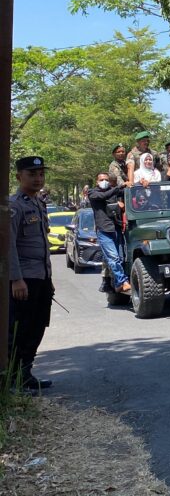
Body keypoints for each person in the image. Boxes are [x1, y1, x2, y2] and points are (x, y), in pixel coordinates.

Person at [8, 156, 54, 390]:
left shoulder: (38, 203)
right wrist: (16, 279)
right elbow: (8, 245)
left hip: (41, 276)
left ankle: (26, 372)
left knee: (38, 325)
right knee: (20, 328)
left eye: (41, 174)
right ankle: (12, 377)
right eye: (32, 174)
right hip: (24, 278)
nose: (38, 179)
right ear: (19, 177)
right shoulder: (14, 205)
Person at [88, 172, 131, 294]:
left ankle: (117, 284)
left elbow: (128, 192)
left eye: (106, 179)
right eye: (101, 179)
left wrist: (137, 185)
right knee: (113, 258)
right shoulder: (92, 193)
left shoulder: (114, 190)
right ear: (97, 181)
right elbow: (103, 196)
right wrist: (120, 187)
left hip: (117, 229)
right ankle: (123, 282)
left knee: (121, 258)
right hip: (104, 231)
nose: (104, 181)